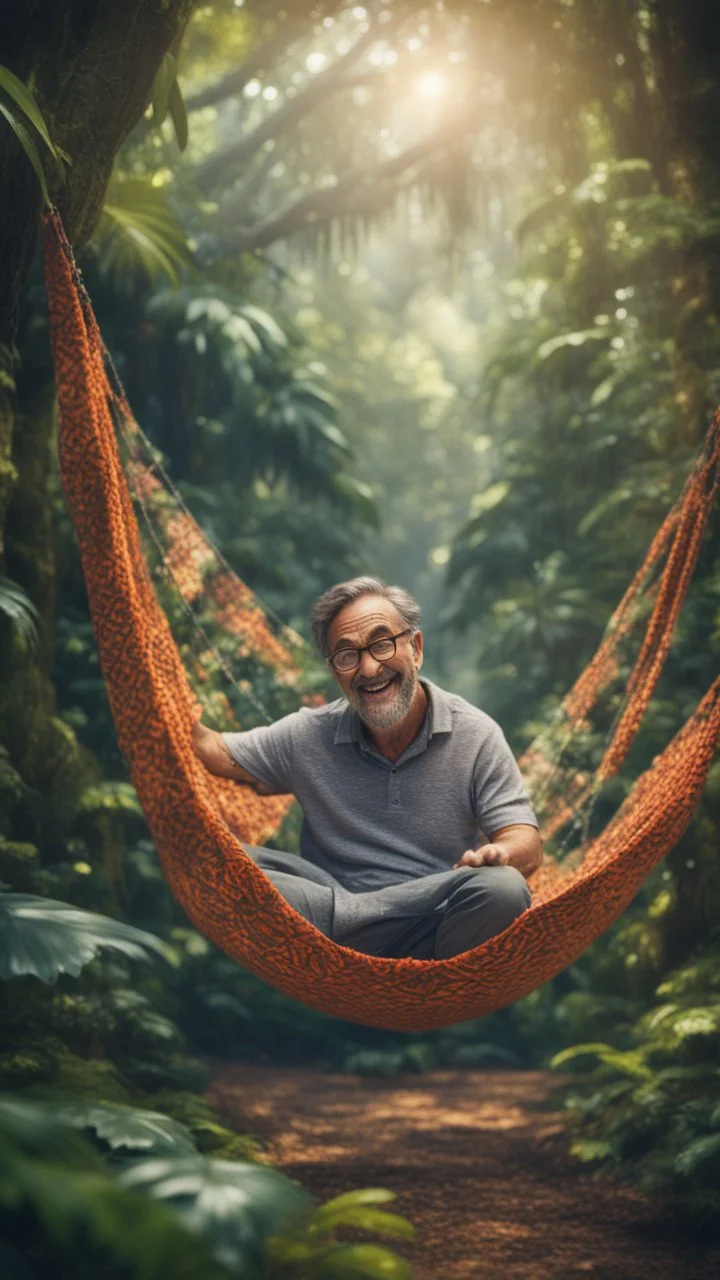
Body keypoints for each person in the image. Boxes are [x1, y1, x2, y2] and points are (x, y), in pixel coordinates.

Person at [192, 576, 542, 961]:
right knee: (210, 853)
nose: (369, 668)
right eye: (347, 655)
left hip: (427, 918)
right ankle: (346, 942)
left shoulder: (476, 734)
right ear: (334, 670)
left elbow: (525, 841)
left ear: (416, 648)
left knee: (503, 890)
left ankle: (412, 975)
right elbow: (212, 750)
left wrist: (496, 855)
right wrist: (158, 686)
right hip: (324, 914)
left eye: (381, 644)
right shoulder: (307, 734)